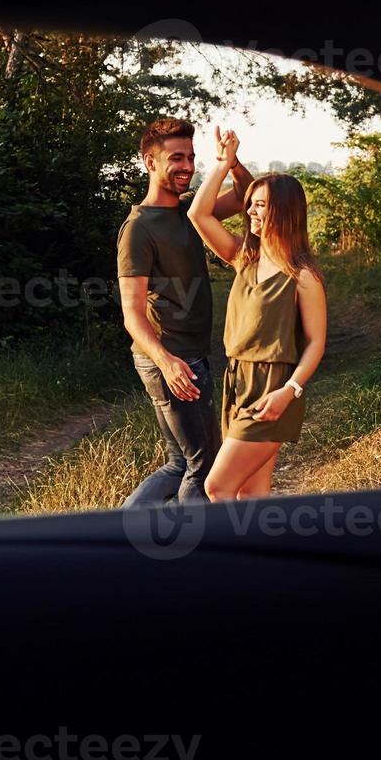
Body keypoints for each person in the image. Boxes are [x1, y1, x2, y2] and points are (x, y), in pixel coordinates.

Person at [116, 117, 253, 506]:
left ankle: (127, 531)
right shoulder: (138, 229)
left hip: (188, 355)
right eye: (176, 158)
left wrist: (231, 161)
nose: (188, 167)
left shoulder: (188, 212)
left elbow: (247, 197)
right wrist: (168, 362)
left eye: (191, 158)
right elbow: (132, 312)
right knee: (203, 465)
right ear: (150, 162)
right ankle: (197, 553)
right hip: (170, 359)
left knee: (181, 463)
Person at [187, 128, 328, 501]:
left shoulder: (303, 276)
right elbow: (198, 213)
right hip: (237, 379)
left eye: (260, 204)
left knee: (217, 486)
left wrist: (289, 391)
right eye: (251, 203)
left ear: (284, 211)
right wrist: (224, 164)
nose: (249, 210)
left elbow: (316, 343)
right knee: (251, 492)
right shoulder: (242, 258)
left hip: (275, 386)